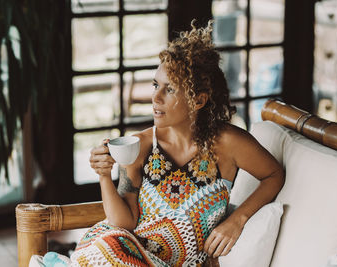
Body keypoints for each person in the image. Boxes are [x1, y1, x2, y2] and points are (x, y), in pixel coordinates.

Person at [70, 21, 285, 266]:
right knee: (109, 248)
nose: (155, 97)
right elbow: (124, 223)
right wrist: (104, 176)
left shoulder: (229, 142)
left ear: (199, 100)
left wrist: (237, 220)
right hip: (124, 251)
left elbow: (274, 174)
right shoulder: (138, 145)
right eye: (155, 85)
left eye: (169, 89)